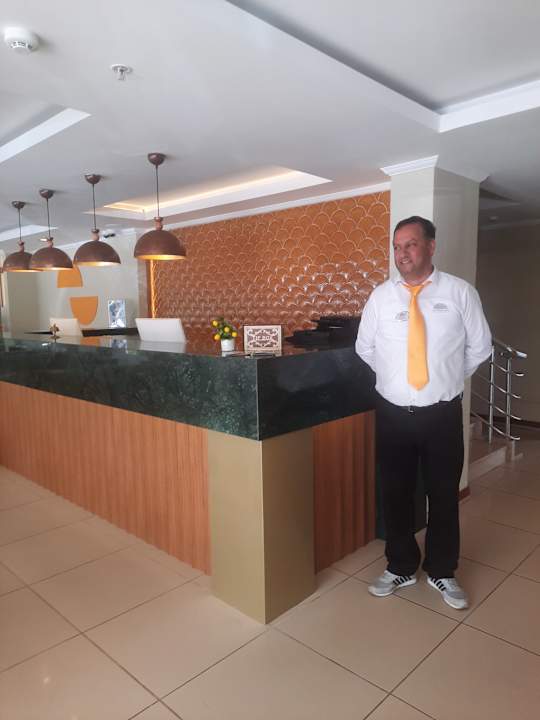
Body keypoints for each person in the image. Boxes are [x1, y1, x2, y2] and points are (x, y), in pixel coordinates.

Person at [355, 215, 492, 609]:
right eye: (397, 247)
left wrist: (446, 377)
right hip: (393, 414)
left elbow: (480, 347)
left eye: (411, 244)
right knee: (395, 493)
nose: (402, 254)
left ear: (431, 246)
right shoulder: (381, 297)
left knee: (443, 494)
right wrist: (395, 380)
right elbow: (365, 348)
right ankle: (400, 565)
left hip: (442, 414)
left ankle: (442, 571)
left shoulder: (460, 293)